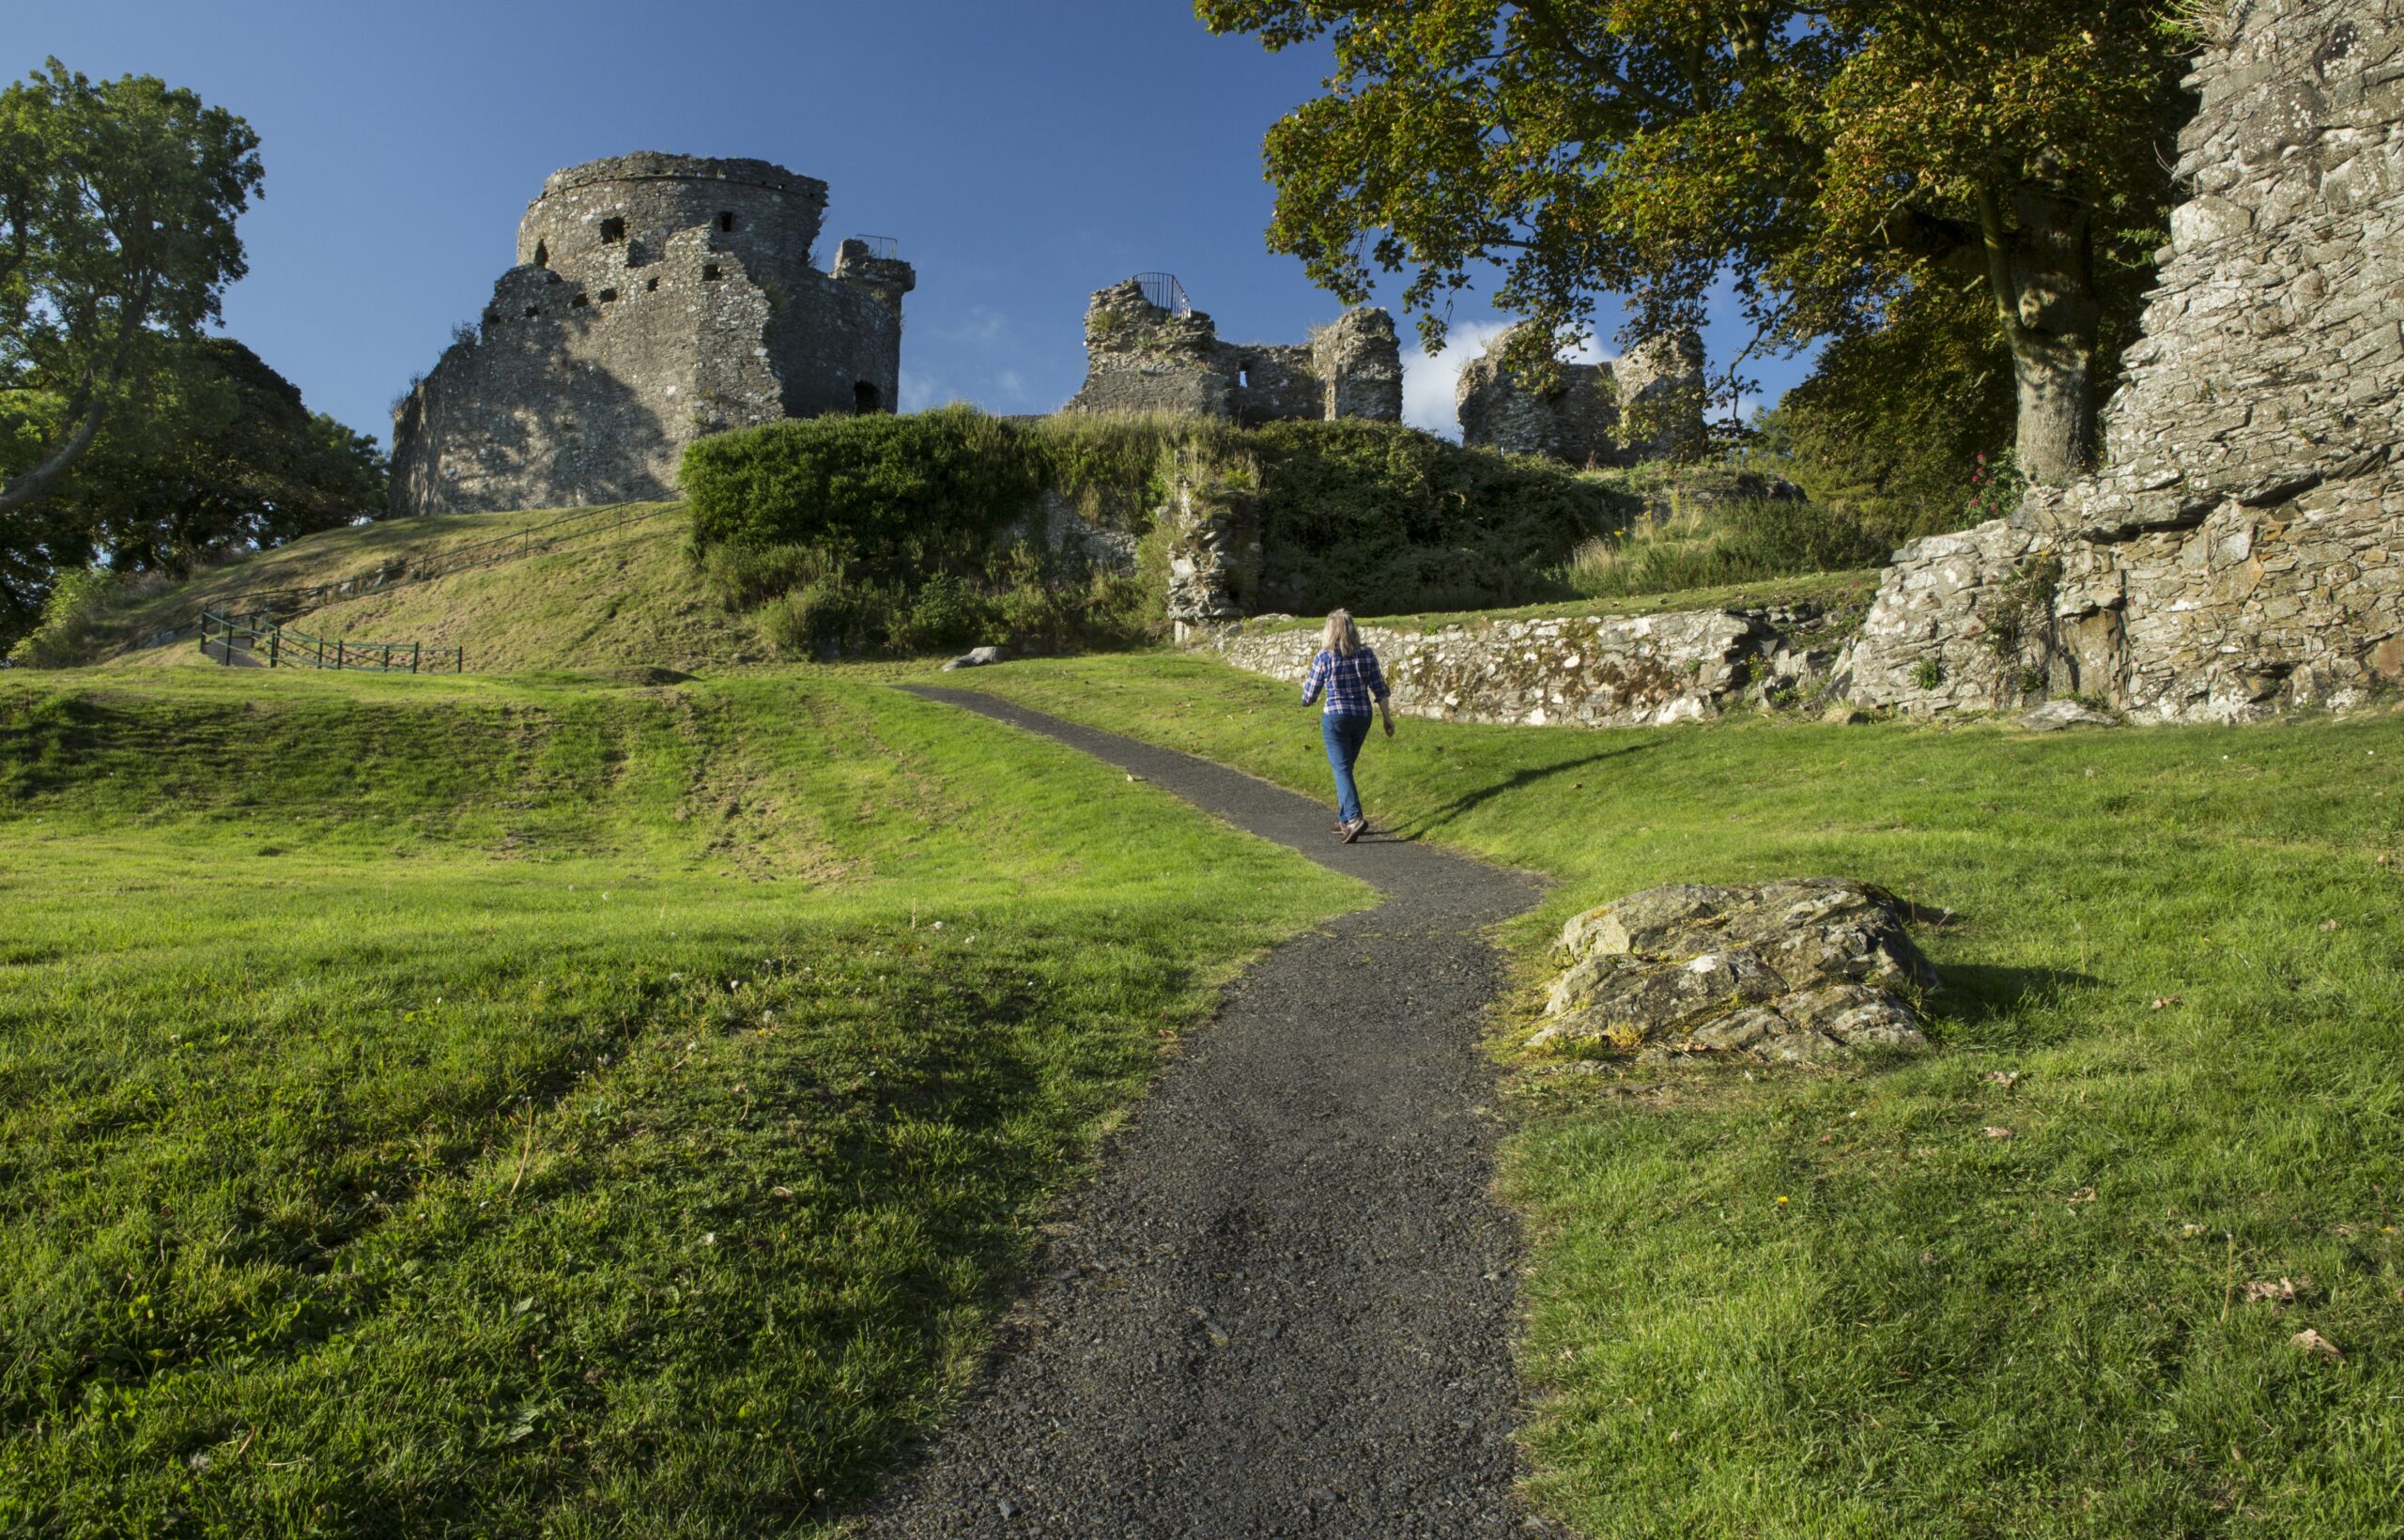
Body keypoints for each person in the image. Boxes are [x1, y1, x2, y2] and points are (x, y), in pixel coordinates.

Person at [1299, 608, 1394, 843]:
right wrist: (1387, 718)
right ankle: (1342, 817)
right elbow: (1380, 689)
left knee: (1341, 768)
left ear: (1330, 632)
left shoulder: (1325, 656)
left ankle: (1353, 818)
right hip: (1362, 717)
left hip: (1336, 718)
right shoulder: (1367, 654)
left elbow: (1309, 694)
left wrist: (1306, 701)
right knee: (1346, 766)